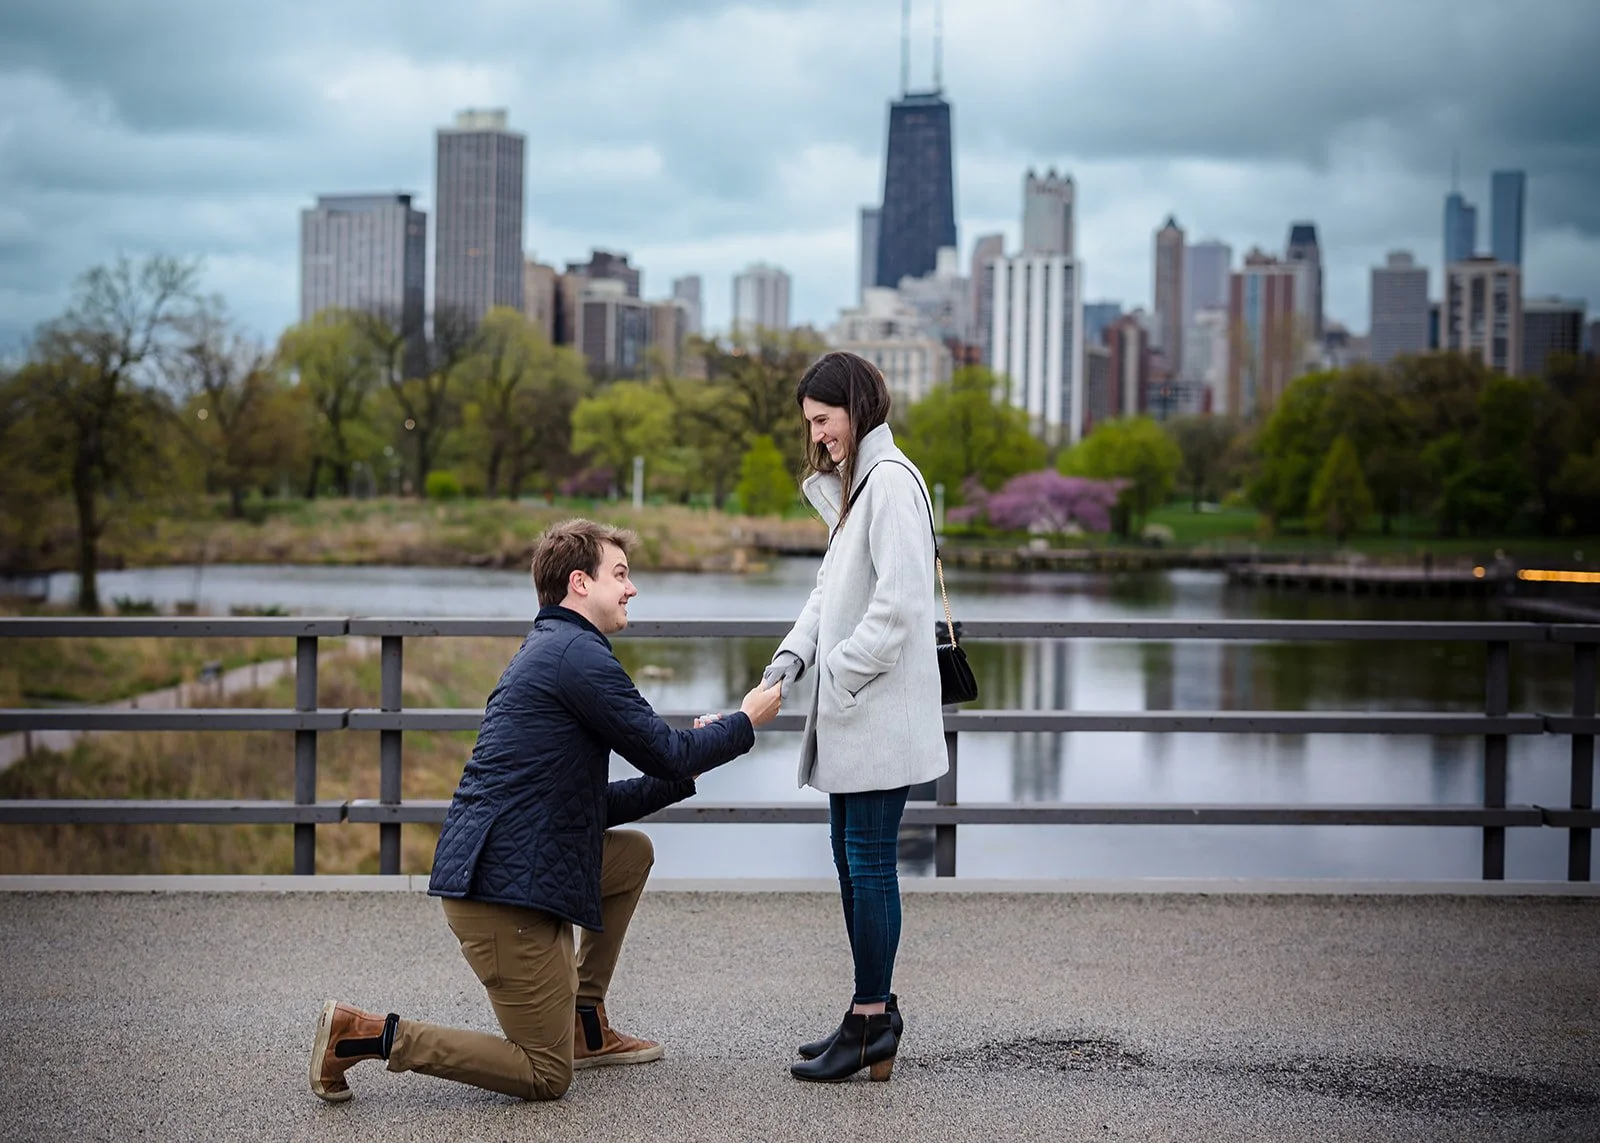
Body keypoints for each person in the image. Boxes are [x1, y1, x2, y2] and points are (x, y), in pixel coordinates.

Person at [310, 518, 784, 1103]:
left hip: (515, 868)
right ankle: (366, 1036)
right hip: (500, 895)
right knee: (542, 1074)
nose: (631, 588)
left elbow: (595, 805)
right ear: (580, 583)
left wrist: (693, 758)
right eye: (621, 575)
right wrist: (744, 723)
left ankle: (586, 1027)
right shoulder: (575, 657)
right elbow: (666, 751)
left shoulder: (558, 650)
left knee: (630, 855)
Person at [761, 351, 949, 1083]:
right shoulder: (859, 486)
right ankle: (868, 1010)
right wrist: (790, 660)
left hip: (872, 712)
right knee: (852, 857)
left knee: (868, 862)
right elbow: (826, 593)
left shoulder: (891, 485)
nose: (817, 435)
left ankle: (873, 1020)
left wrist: (835, 671)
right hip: (856, 710)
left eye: (823, 419)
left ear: (857, 407)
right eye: (810, 422)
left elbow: (900, 607)